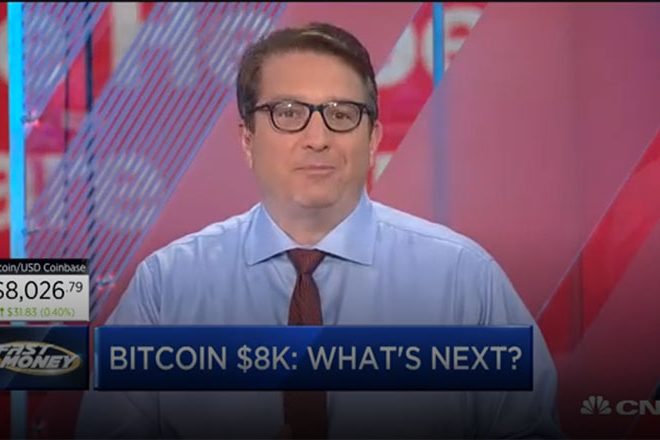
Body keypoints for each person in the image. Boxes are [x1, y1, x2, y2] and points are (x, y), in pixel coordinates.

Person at [76, 22, 563, 439]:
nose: (317, 138)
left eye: (341, 114)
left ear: (372, 139)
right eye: (288, 113)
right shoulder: (166, 288)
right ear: (247, 139)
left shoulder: (462, 278)